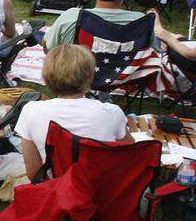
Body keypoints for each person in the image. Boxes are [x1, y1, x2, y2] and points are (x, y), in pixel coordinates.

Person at [15, 44, 132, 180]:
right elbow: (128, 153)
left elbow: (34, 174)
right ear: (90, 76)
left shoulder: (31, 111)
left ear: (46, 76)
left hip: (57, 192)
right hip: (102, 190)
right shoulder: (112, 112)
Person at [42, 0, 146, 48]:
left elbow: (48, 47)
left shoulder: (72, 16)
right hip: (124, 74)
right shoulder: (141, 21)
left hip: (78, 74)